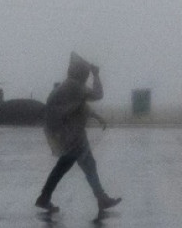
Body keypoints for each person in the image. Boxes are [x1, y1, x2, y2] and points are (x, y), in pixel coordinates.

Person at [35, 53, 121, 213]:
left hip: (66, 133)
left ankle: (45, 197)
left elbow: (79, 105)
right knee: (76, 165)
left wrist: (96, 116)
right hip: (70, 134)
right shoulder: (74, 86)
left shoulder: (68, 86)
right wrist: (96, 74)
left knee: (77, 165)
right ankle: (100, 198)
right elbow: (97, 95)